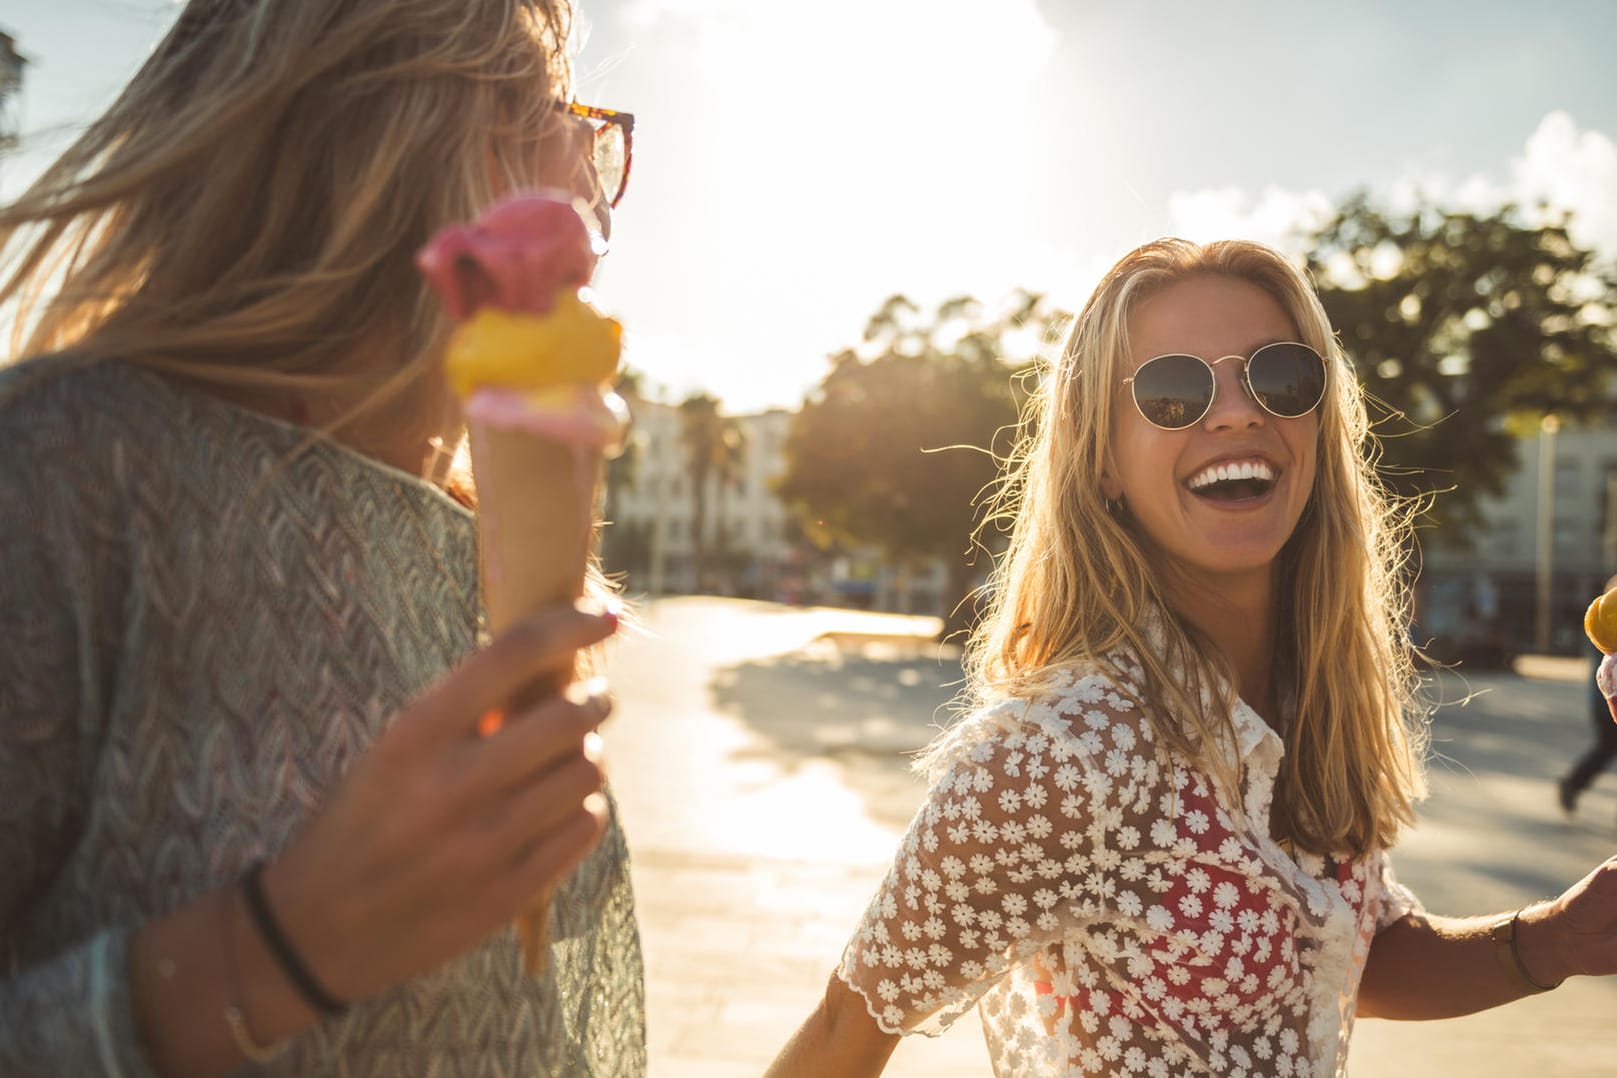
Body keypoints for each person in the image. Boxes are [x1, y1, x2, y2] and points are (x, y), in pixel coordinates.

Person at [767, 238, 1617, 1076]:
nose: (1239, 411)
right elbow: (845, 1034)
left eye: (1278, 377)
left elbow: (1351, 954)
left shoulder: (1302, 699)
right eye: (1174, 390)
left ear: (1317, 425)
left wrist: (1560, 937)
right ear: (1102, 460)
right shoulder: (1054, 755)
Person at [0, 1, 645, 1075]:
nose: (594, 179)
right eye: (559, 113)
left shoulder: (472, 537)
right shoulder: (58, 474)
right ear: (397, 141)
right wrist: (275, 947)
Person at [1559, 573, 1617, 817]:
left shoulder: (1600, 635)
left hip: (1602, 703)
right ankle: (1572, 784)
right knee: (1605, 748)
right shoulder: (1609, 650)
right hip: (1606, 704)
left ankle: (1573, 784)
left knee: (1605, 748)